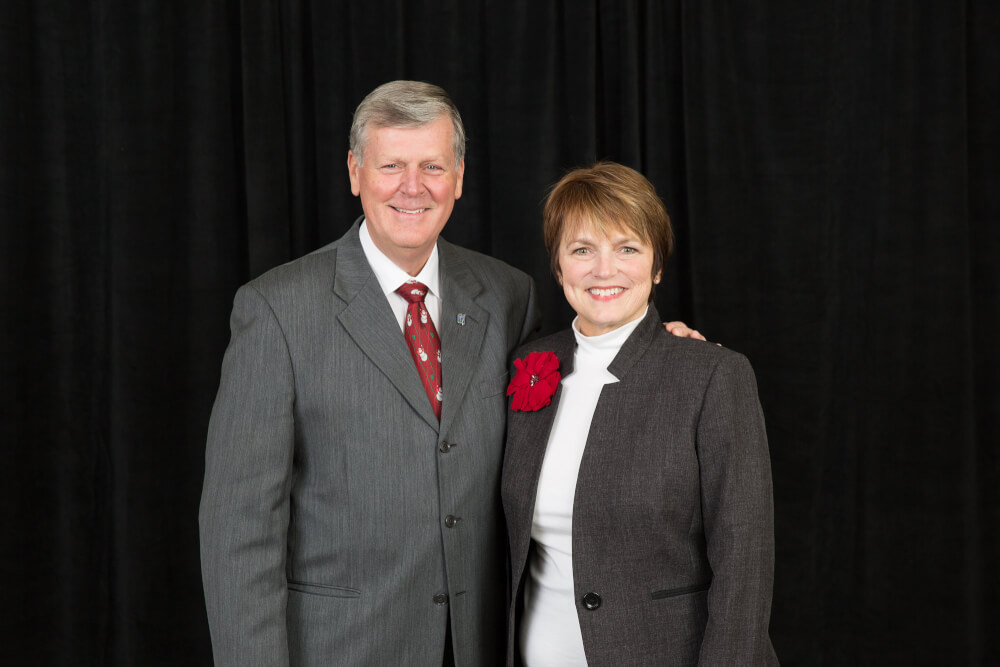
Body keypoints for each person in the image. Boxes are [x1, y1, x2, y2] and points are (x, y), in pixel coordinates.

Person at [199, 81, 701, 666]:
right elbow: (239, 530)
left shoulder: (507, 295)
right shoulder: (277, 309)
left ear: (458, 177)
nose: (413, 187)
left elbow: (571, 384)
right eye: (392, 165)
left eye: (432, 165)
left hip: (480, 643)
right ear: (355, 172)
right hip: (341, 648)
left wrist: (658, 349)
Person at [501, 162, 778, 665]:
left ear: (656, 267)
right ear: (559, 267)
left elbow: (746, 563)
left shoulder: (713, 376)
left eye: (627, 248)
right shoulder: (525, 365)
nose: (604, 270)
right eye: (582, 250)